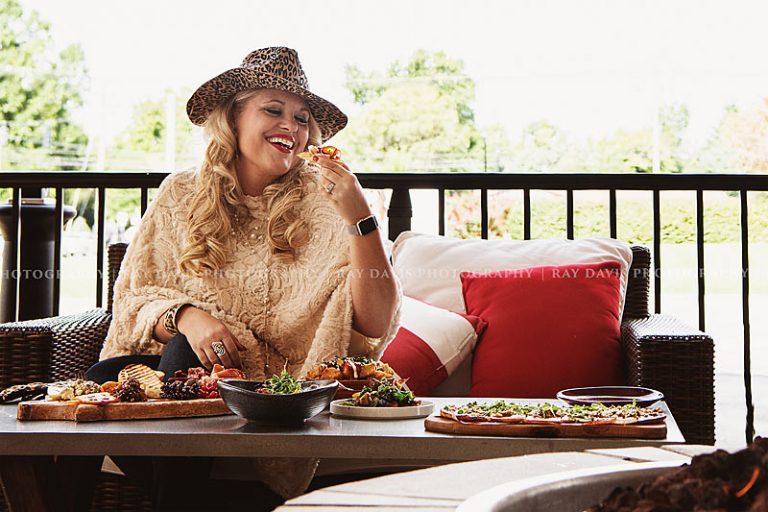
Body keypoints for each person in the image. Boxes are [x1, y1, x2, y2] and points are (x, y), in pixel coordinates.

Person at [88, 47, 401, 511]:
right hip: (198, 384)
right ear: (232, 119)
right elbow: (133, 300)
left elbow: (376, 323)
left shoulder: (328, 200)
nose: (290, 128)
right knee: (104, 382)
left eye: (301, 118)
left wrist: (360, 216)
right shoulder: (181, 194)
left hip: (283, 391)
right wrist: (186, 315)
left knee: (175, 359)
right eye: (272, 110)